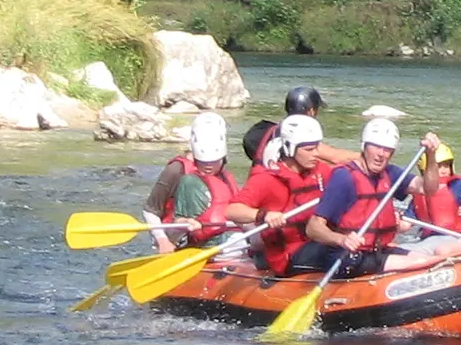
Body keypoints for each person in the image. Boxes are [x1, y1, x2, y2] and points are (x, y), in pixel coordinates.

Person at [292, 119, 437, 278]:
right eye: (376, 146)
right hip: (345, 255)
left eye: (387, 149)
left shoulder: (389, 173)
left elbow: (428, 188)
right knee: (417, 264)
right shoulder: (344, 178)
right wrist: (342, 239)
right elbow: (313, 228)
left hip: (375, 251)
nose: (381, 154)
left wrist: (430, 155)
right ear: (364, 146)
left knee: (425, 261)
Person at [224, 114, 333, 272]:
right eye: (309, 149)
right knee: (338, 251)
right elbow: (231, 211)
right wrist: (263, 215)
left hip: (316, 242)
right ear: (290, 148)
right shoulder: (267, 179)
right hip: (288, 256)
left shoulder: (322, 171)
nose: (316, 153)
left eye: (318, 147)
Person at [144, 111, 238, 254]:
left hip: (218, 241)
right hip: (178, 241)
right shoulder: (176, 170)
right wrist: (162, 241)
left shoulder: (223, 175)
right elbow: (150, 210)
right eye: (204, 162)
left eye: (214, 162)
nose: (209, 167)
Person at [407, 140, 461, 236]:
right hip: (428, 237)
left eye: (446, 166)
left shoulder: (459, 186)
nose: (444, 171)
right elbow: (407, 221)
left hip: (456, 236)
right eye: (438, 167)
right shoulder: (420, 191)